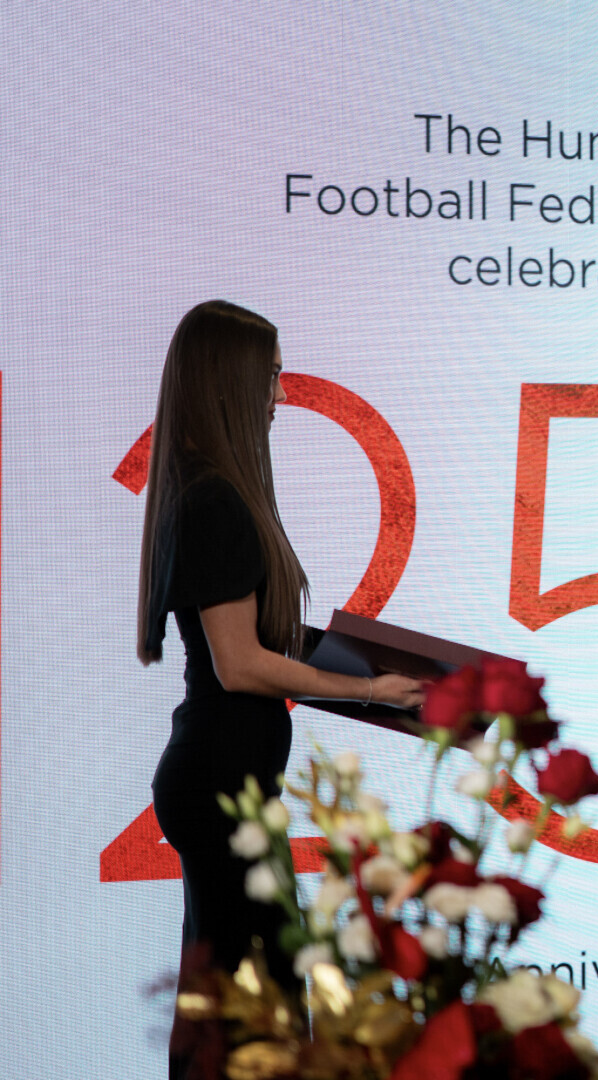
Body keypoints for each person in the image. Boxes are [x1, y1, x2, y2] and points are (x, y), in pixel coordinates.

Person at [137, 300, 424, 1078]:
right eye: (269, 377)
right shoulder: (214, 501)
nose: (280, 395)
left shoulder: (205, 491)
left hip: (223, 782)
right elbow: (241, 664)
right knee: (249, 1010)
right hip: (218, 784)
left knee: (237, 1006)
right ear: (230, 381)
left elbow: (256, 642)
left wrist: (370, 672)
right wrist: (371, 690)